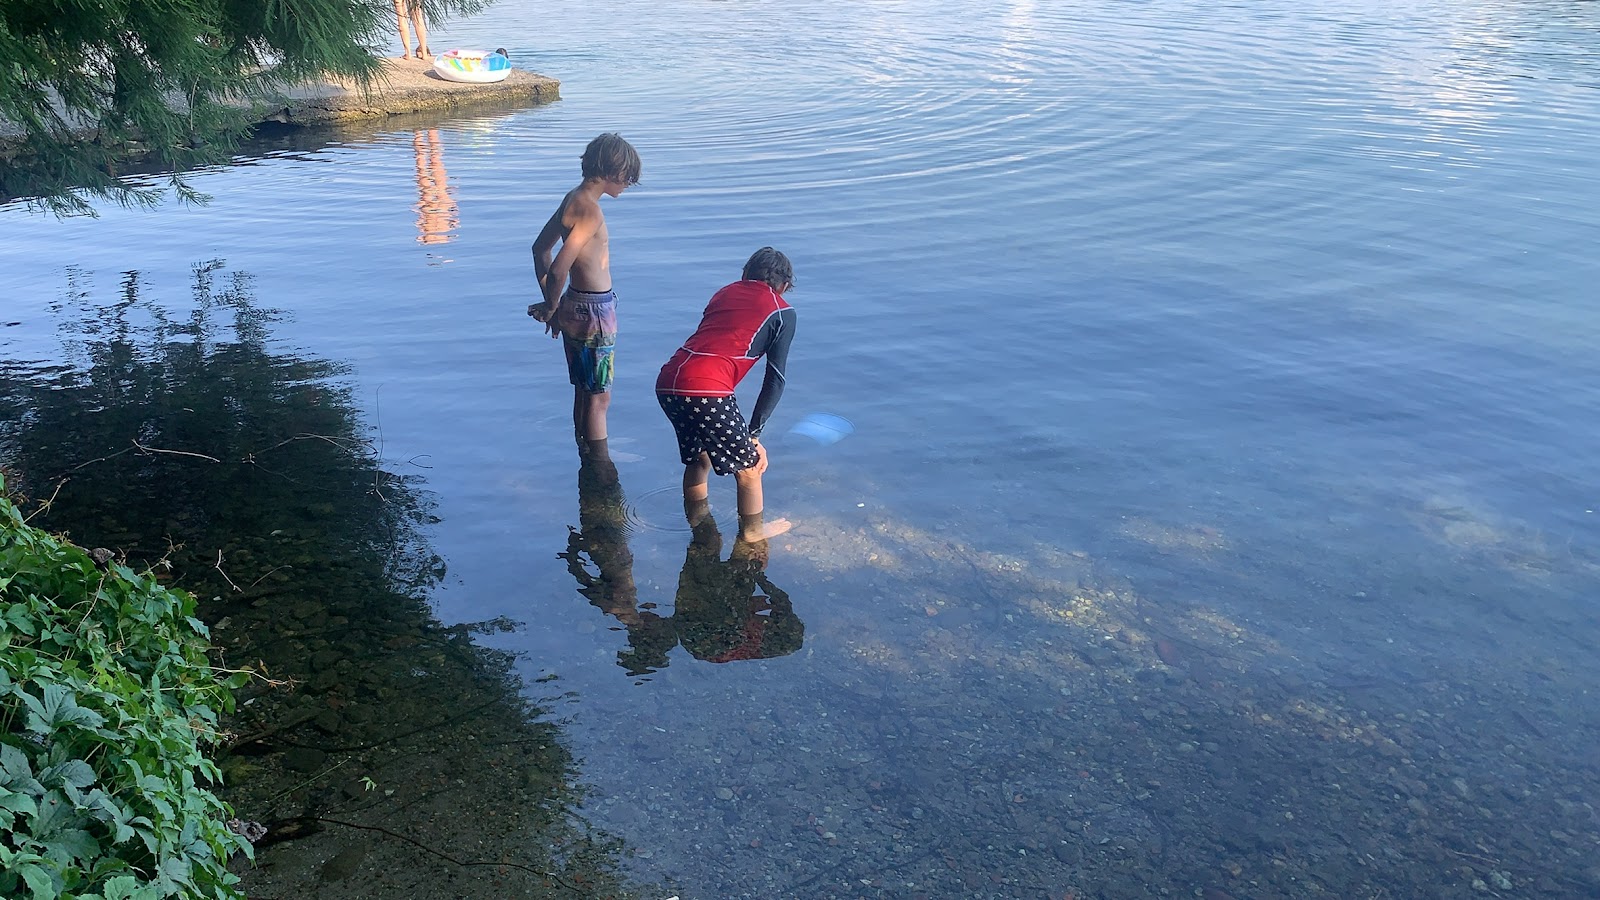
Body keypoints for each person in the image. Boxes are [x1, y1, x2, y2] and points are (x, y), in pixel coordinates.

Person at [656, 247, 797, 542]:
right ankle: (753, 533)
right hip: (707, 388)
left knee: (699, 458)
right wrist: (754, 436)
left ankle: (698, 523)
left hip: (669, 380)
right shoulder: (782, 311)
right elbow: (775, 379)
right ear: (784, 286)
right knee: (749, 469)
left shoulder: (723, 293)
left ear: (745, 275)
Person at [529, 134, 641, 446]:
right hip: (595, 312)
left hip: (574, 304)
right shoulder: (591, 211)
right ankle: (598, 465)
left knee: (583, 390)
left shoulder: (572, 199)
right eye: (628, 177)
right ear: (613, 171)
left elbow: (540, 250)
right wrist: (551, 307)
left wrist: (554, 304)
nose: (629, 184)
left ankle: (584, 452)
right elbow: (559, 267)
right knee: (599, 399)